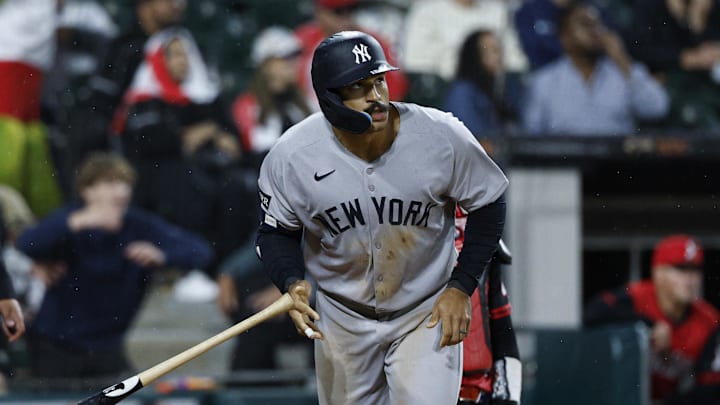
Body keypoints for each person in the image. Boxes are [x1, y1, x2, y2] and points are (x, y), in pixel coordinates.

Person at [255, 31, 508, 404]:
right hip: (341, 318)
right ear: (329, 97)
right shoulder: (294, 154)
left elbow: (489, 203)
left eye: (379, 81)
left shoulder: (440, 135)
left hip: (423, 309)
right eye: (358, 88)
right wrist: (291, 281)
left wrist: (461, 286)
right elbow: (276, 233)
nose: (376, 97)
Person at [14, 152, 212, 380]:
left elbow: (200, 250)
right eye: (109, 183)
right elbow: (27, 243)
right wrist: (79, 222)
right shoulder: (69, 219)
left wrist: (162, 255)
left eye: (125, 184)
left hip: (108, 344)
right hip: (56, 345)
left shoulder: (137, 225)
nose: (120, 191)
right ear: (87, 191)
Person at [118, 28, 257, 277]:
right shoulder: (145, 98)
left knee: (238, 187)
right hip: (164, 176)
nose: (182, 61)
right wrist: (198, 135)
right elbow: (151, 142)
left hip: (215, 170)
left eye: (185, 54)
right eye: (173, 55)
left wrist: (208, 135)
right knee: (189, 185)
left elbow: (232, 141)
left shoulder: (207, 96)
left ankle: (227, 270)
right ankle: (193, 268)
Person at [584, 234, 720, 403]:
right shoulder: (638, 297)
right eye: (681, 269)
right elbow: (592, 313)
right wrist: (649, 324)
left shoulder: (709, 320)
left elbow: (711, 386)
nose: (690, 279)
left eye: (695, 270)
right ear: (658, 273)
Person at [67, 0, 186, 172]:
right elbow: (100, 109)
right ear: (143, 6)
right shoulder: (124, 49)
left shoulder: (188, 48)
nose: (177, 5)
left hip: (182, 150)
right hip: (139, 151)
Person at [522, 1, 670, 136]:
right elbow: (530, 135)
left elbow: (658, 108)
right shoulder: (545, 82)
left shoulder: (622, 72)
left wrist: (622, 60)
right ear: (564, 36)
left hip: (616, 162)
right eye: (585, 24)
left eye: (597, 25)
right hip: (564, 162)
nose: (595, 31)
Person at [455, 207, 521, 405]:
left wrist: (508, 395)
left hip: (476, 391)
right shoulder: (403, 216)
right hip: (420, 387)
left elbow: (501, 321)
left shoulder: (480, 220)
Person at [231, 26, 314, 170]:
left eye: (296, 55)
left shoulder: (302, 99)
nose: (294, 62)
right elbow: (257, 150)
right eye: (286, 57)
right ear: (266, 65)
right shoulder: (247, 104)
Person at [294, 0, 408, 103]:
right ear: (319, 13)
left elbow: (394, 90)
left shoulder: (372, 43)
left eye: (351, 9)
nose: (346, 17)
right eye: (338, 12)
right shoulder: (303, 41)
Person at [402, 0, 528, 81]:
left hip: (494, 89)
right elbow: (415, 63)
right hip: (446, 93)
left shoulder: (497, 11)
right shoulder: (426, 11)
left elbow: (516, 60)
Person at [444, 30, 524, 145]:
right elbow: (470, 139)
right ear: (474, 54)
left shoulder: (500, 88)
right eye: (493, 51)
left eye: (500, 50)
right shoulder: (462, 92)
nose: (499, 56)